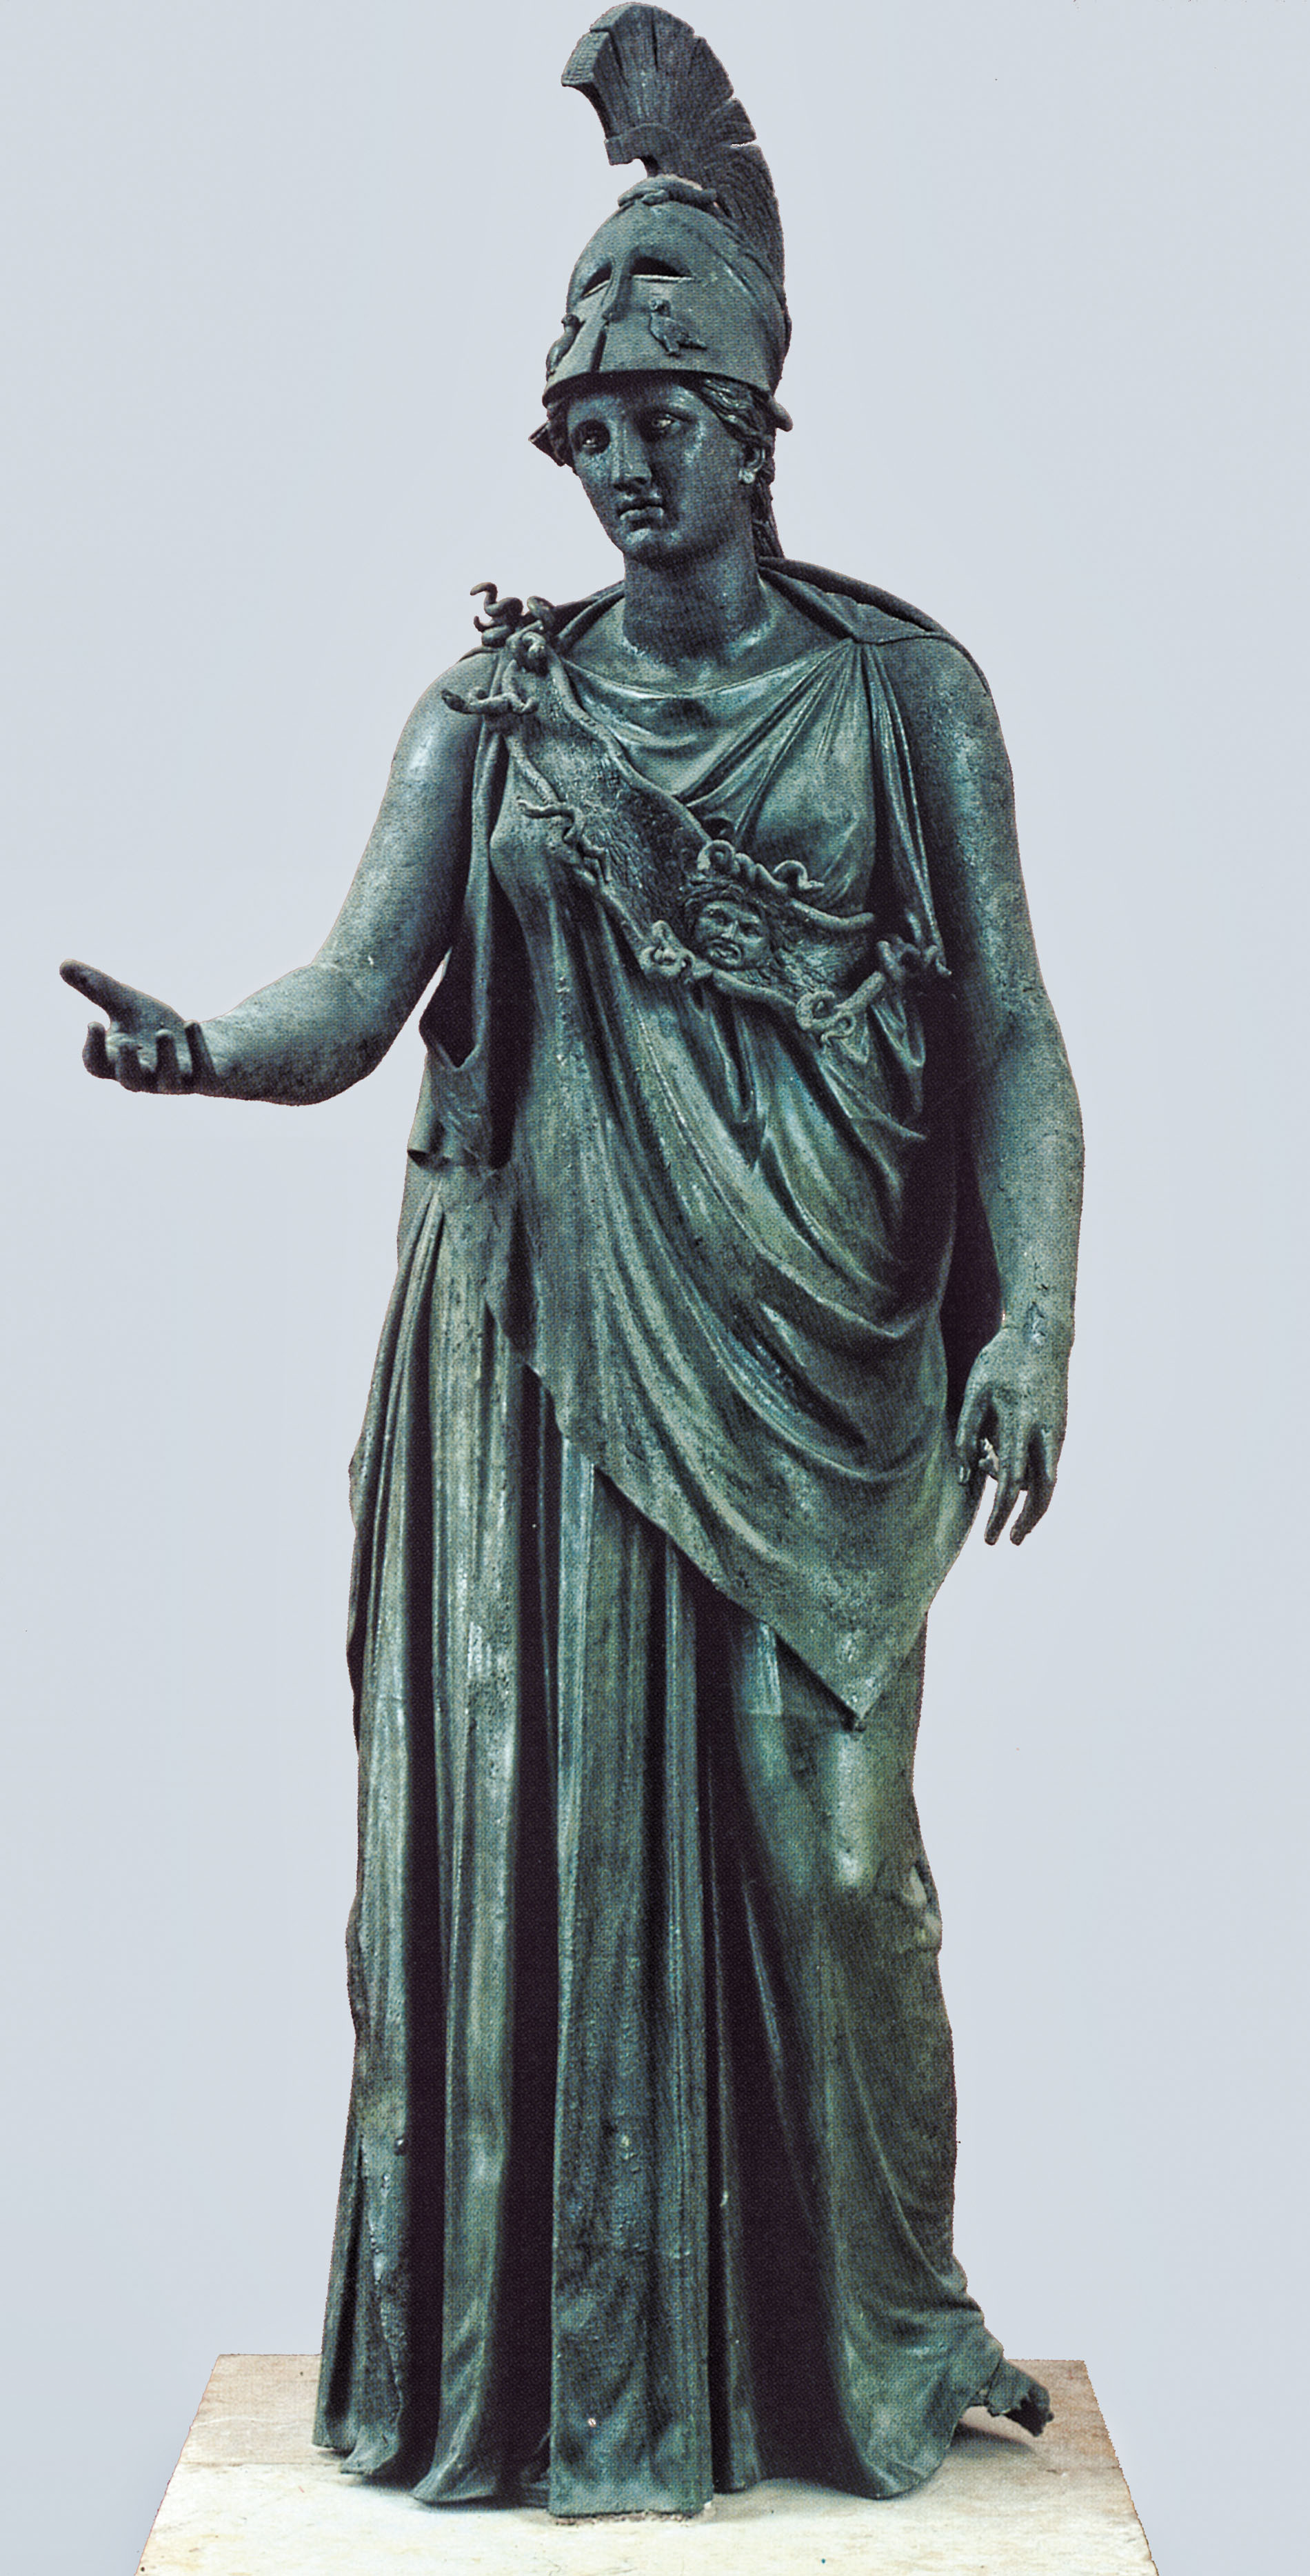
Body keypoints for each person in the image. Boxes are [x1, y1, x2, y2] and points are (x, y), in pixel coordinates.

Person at [62, 5, 1082, 2524]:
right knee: (532, 1844)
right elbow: (350, 994)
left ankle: (885, 2325)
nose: (620, 466)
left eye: (659, 421)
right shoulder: (495, 714)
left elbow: (1009, 1037)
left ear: (752, 427)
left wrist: (1039, 1315)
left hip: (824, 1354)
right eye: (584, 431)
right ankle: (574, 2368)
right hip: (541, 1355)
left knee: (833, 1857)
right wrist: (204, 1051)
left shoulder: (904, 697)